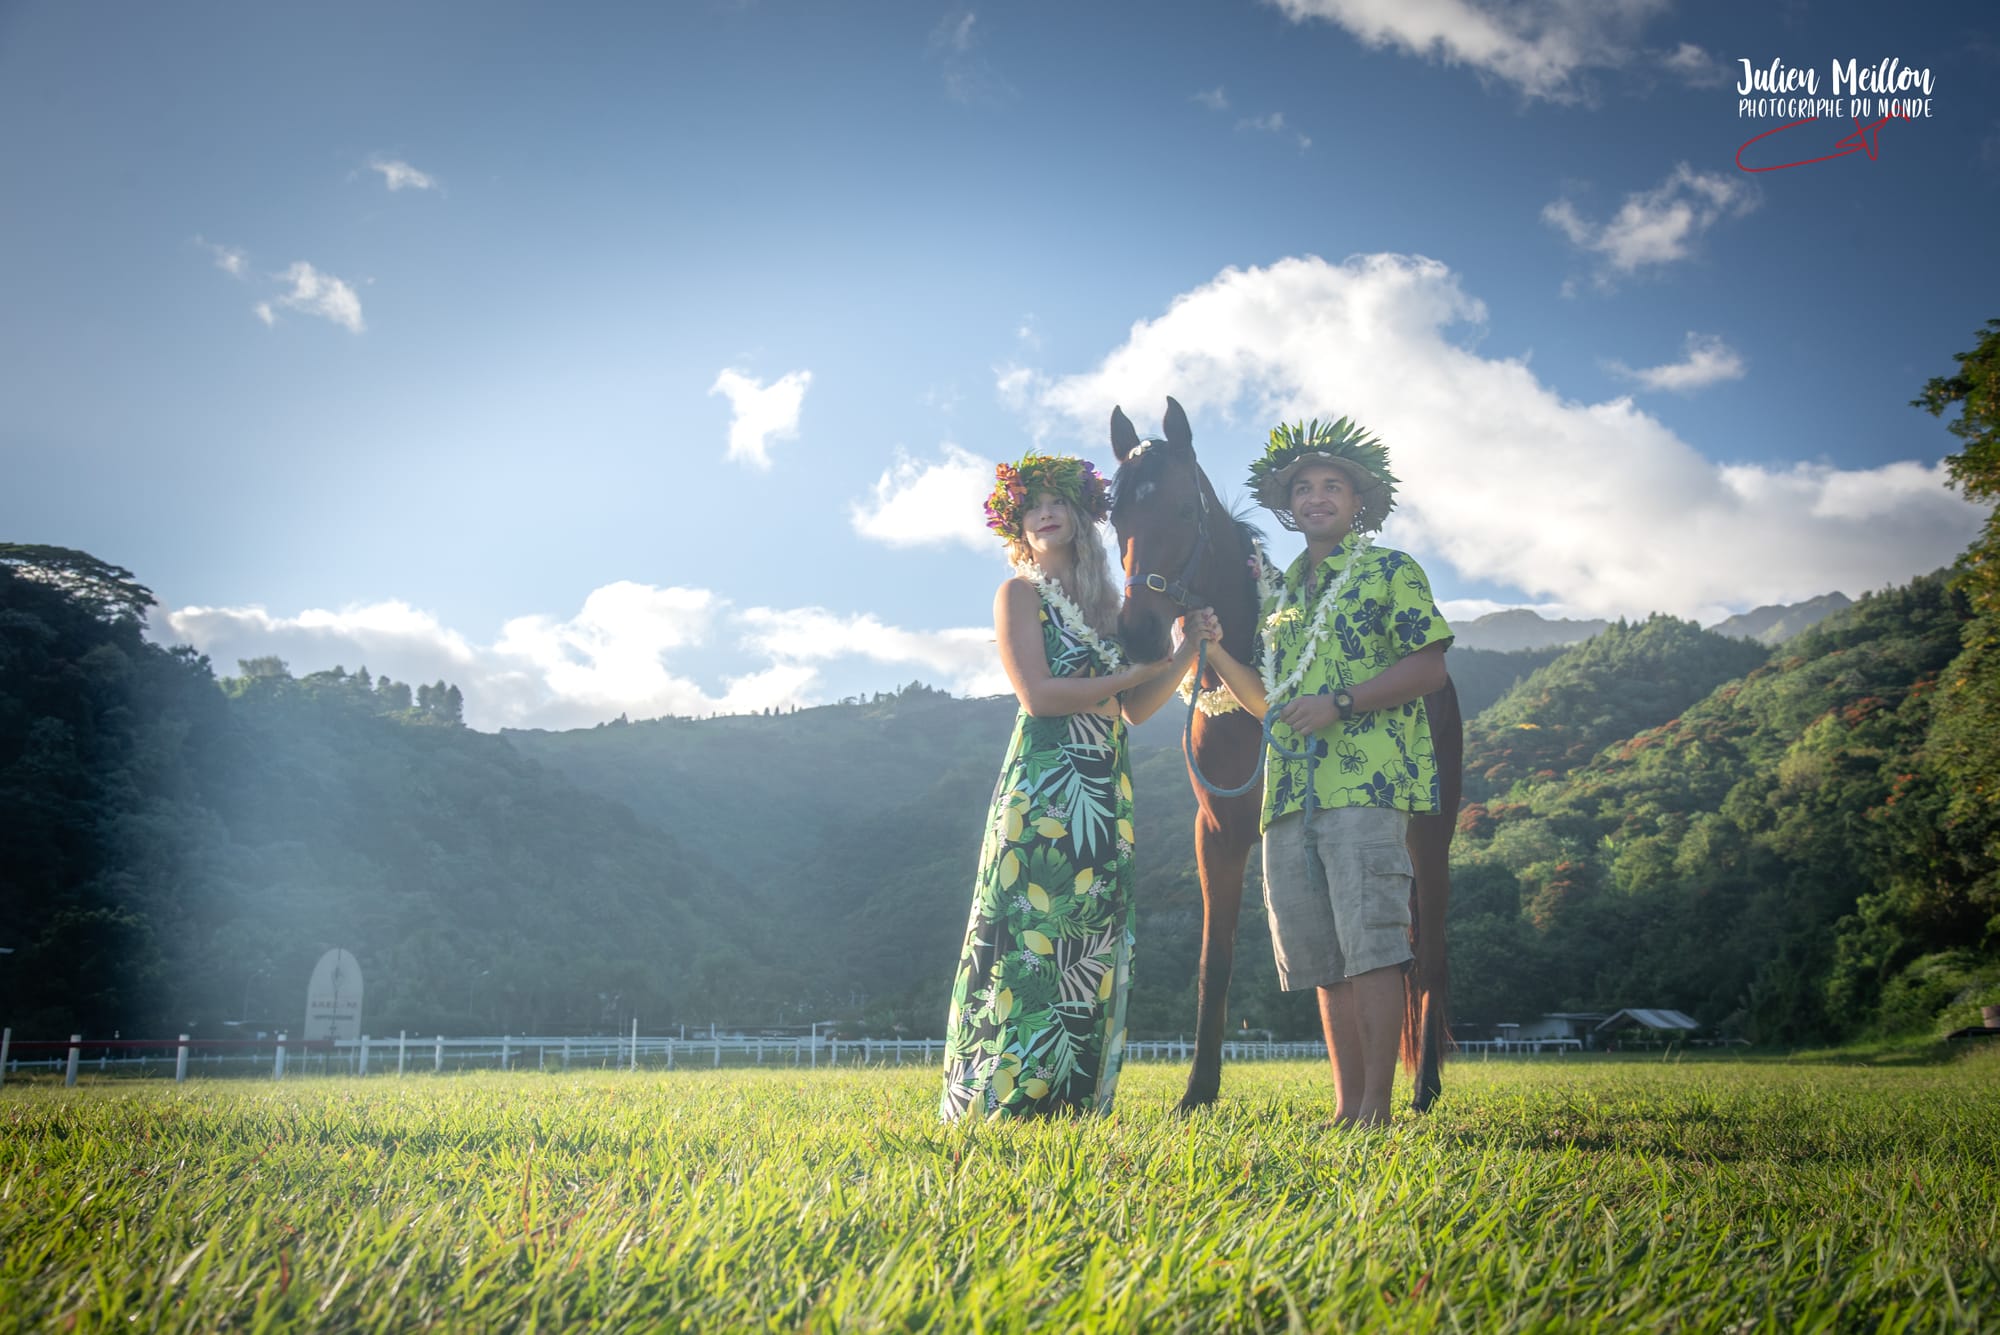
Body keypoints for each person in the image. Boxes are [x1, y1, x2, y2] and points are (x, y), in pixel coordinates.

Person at [939, 452, 1215, 1121]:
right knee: (1030, 936)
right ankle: (1000, 1097)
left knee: (1087, 942)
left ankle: (1070, 1100)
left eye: (1057, 499)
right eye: (1031, 505)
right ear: (1018, 526)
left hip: (1102, 791)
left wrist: (1185, 654)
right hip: (1043, 788)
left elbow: (1137, 710)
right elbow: (1038, 696)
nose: (1045, 512)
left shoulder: (1109, 608)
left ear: (1081, 512)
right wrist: (1129, 676)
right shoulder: (1020, 595)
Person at [1196, 418, 1452, 1127]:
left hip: (1366, 786)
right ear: (1289, 506)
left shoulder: (1390, 570)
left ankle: (1376, 1110)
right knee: (1320, 956)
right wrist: (1216, 653)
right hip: (1288, 798)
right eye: (1302, 488)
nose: (1315, 498)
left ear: (1358, 501)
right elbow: (1272, 703)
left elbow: (1429, 664)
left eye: (1331, 486)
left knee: (1371, 946)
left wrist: (1341, 702)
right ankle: (1345, 1109)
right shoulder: (1284, 601)